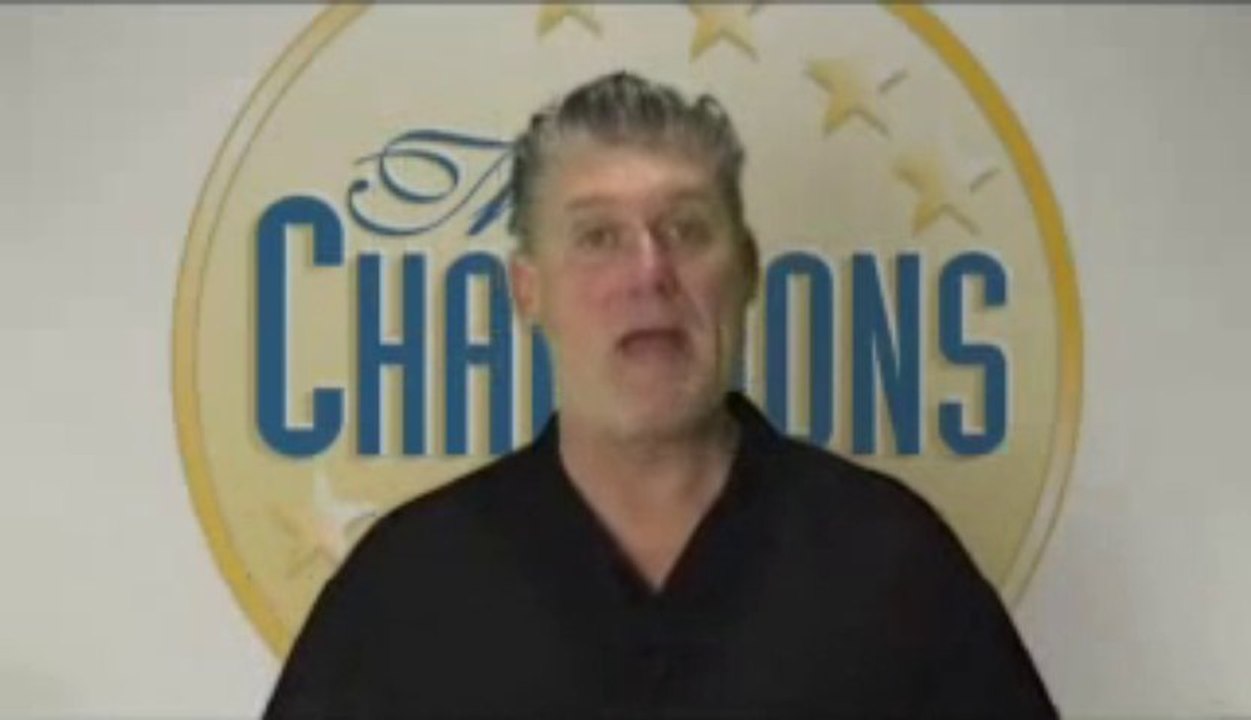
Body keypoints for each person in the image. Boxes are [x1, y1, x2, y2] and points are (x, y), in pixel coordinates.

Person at [265, 70, 1056, 718]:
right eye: (597, 236)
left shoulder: (892, 565)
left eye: (685, 228)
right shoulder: (407, 589)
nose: (649, 273)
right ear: (527, 291)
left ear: (745, 269)